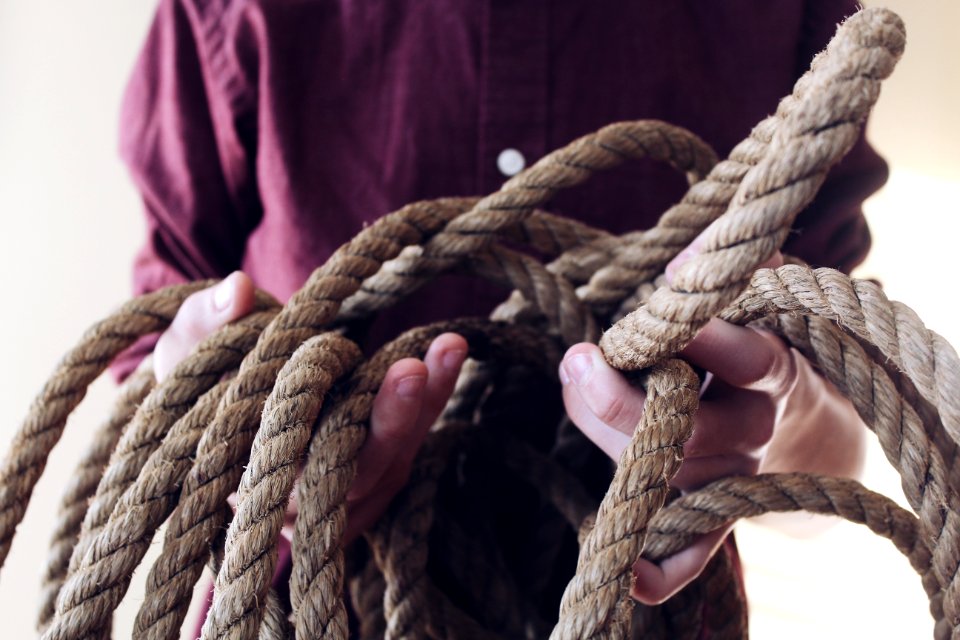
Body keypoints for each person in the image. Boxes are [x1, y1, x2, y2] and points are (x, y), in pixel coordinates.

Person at [115, 0, 883, 627]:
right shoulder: (228, 12)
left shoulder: (790, 19)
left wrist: (779, 419)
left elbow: (837, 443)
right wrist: (237, 452)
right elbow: (156, 368)